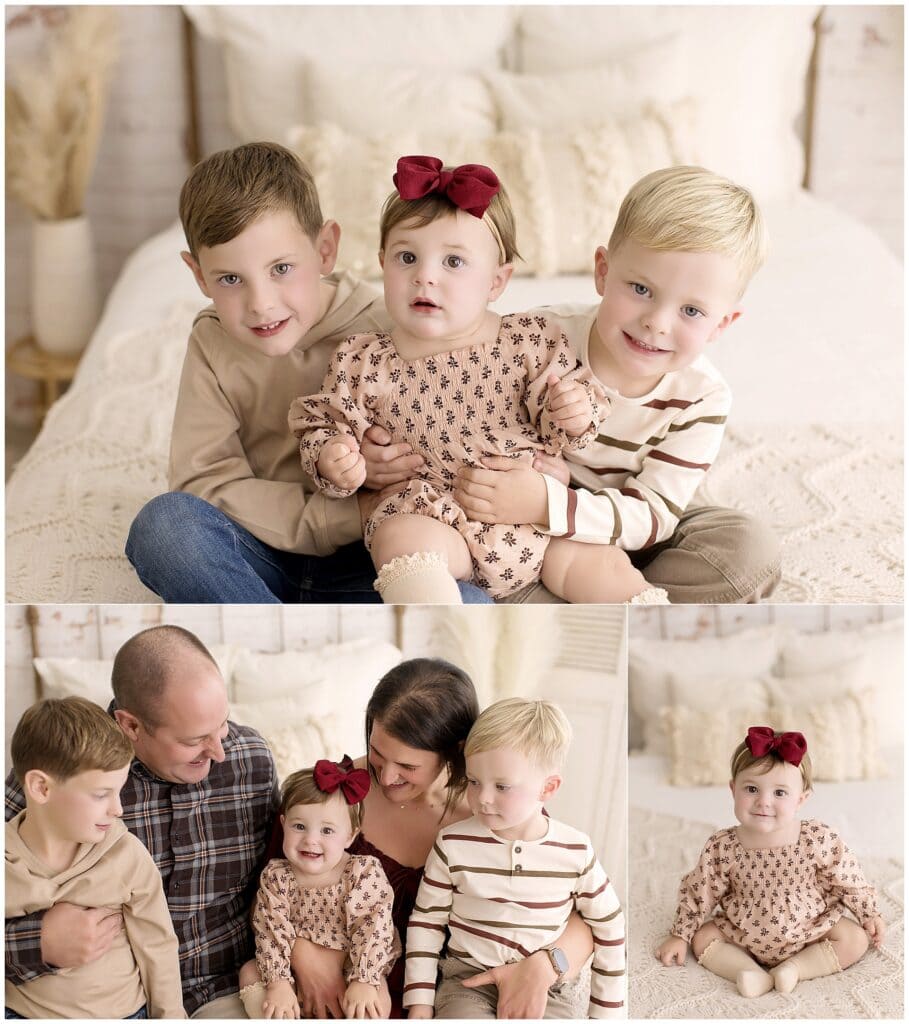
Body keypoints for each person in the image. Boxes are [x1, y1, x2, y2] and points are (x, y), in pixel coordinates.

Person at [291, 155, 667, 605]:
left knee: (600, 563)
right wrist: (333, 457)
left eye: (453, 261)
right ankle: (438, 626)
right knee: (400, 540)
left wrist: (573, 410)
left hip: (531, 519)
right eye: (407, 258)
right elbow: (325, 423)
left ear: (496, 282)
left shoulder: (528, 340)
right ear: (382, 263)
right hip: (432, 519)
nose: (425, 276)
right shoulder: (363, 360)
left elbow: (567, 411)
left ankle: (653, 626)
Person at [125, 141, 490, 605]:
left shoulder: (395, 326)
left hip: (376, 556)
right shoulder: (213, 343)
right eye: (230, 279)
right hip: (260, 551)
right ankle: (275, 622)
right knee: (165, 527)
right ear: (198, 275)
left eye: (281, 268)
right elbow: (204, 485)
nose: (261, 305)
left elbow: (464, 434)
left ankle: (264, 625)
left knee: (469, 602)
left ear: (325, 249)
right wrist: (344, 514)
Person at [454, 165, 782, 604]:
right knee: (478, 552)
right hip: (523, 526)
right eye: (641, 289)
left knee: (748, 550)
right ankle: (587, 595)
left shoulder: (702, 396)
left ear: (722, 324)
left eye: (691, 311)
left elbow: (654, 517)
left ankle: (616, 594)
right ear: (603, 272)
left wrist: (549, 504)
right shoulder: (538, 338)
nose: (657, 323)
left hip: (624, 522)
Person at [285, 659, 595, 1019]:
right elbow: (268, 885)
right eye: (378, 754)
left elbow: (583, 915)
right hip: (343, 992)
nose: (386, 777)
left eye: (407, 767)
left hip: (448, 997)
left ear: (455, 752)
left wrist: (544, 967)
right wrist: (305, 956)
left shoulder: (497, 812)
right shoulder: (332, 792)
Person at [5, 625, 278, 1018]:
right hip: (102, 1000)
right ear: (131, 725)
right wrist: (37, 944)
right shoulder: (62, 773)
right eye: (193, 740)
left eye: (222, 725)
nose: (219, 752)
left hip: (226, 986)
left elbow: (280, 879)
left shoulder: (251, 760)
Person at [403, 697, 625, 1019]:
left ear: (548, 788)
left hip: (547, 990)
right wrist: (420, 1001)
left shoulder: (575, 850)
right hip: (469, 983)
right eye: (474, 782)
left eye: (502, 786)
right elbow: (426, 921)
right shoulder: (452, 844)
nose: (483, 798)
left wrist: (605, 1014)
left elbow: (609, 924)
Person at [655, 727, 884, 996]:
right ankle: (748, 972)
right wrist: (680, 935)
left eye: (779, 793)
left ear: (801, 799)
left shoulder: (816, 838)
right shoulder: (723, 846)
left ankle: (796, 969)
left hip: (809, 928)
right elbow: (700, 891)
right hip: (743, 930)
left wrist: (869, 913)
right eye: (752, 789)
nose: (764, 802)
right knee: (703, 938)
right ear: (733, 790)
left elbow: (848, 878)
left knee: (855, 939)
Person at [5, 697, 185, 1020]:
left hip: (125, 1014)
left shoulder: (125, 856)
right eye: (102, 794)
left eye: (119, 791)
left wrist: (170, 1015)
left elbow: (157, 946)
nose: (118, 809)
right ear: (41, 788)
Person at [239, 759, 398, 1019]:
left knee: (376, 996)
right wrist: (278, 983)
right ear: (283, 823)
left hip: (354, 968)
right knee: (249, 972)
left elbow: (374, 926)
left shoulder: (361, 872)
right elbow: (270, 929)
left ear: (350, 836)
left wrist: (364, 980)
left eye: (327, 830)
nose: (311, 839)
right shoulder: (277, 876)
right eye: (299, 826)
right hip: (289, 970)